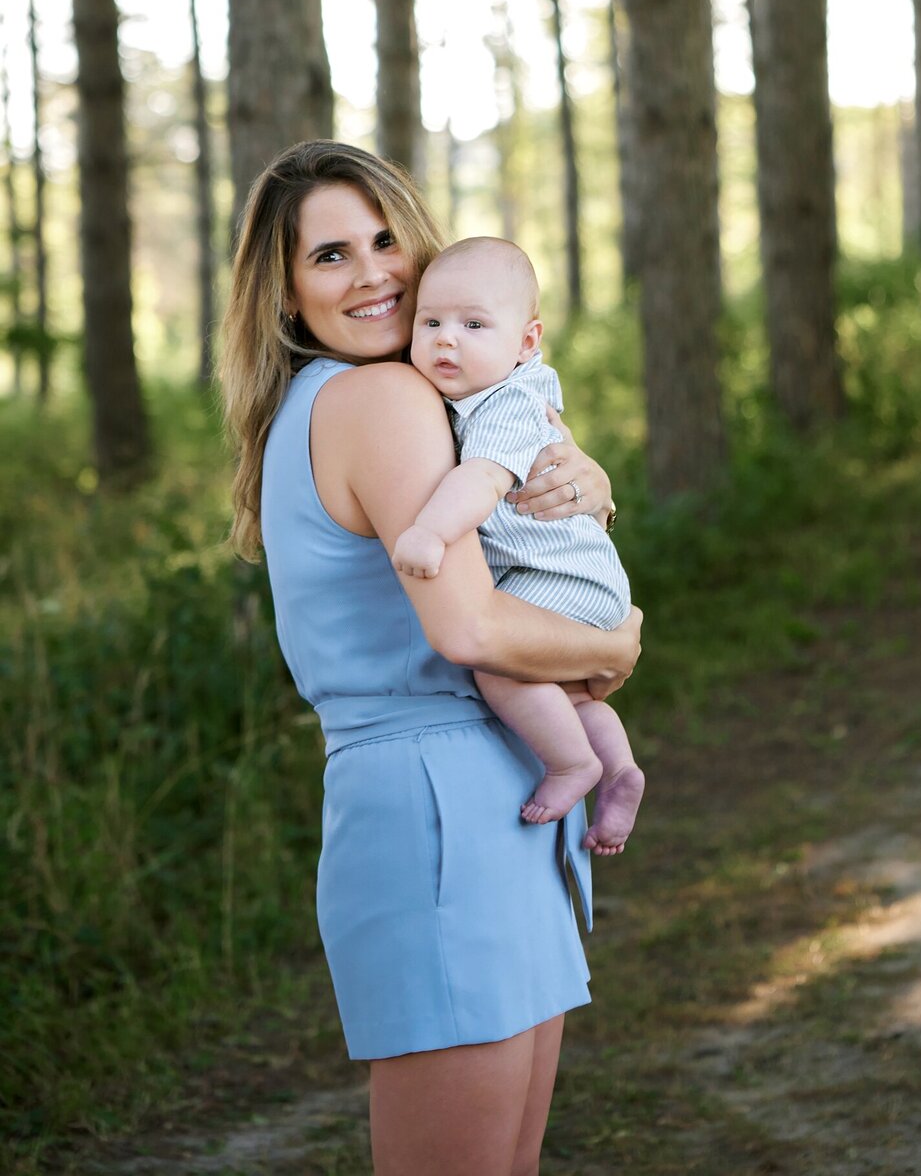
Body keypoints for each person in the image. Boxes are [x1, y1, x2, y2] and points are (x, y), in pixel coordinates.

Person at [219, 141, 642, 1176]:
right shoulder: (379, 401)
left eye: (383, 239)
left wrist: (581, 478)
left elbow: (512, 519)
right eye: (329, 256)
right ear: (285, 293)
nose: (372, 274)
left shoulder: (365, 401)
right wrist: (616, 643)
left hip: (481, 799)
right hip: (440, 809)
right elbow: (471, 629)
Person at [392, 236, 645, 855]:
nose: (447, 339)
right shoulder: (482, 391)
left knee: (500, 663)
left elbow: (480, 480)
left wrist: (429, 531)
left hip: (561, 576)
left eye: (474, 324)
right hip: (574, 574)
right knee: (566, 693)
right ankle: (617, 769)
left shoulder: (504, 403)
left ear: (526, 342)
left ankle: (570, 767)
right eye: (431, 323)